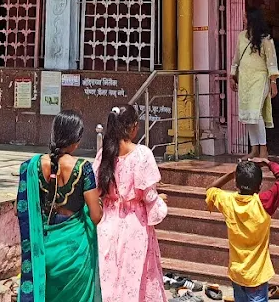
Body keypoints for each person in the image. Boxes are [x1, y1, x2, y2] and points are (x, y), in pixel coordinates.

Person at [16, 110, 102, 302]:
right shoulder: (83, 168)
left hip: (43, 253)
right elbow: (96, 216)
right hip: (74, 254)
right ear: (76, 138)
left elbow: (19, 209)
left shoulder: (30, 167)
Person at [94, 104, 167, 302]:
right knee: (136, 279)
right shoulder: (142, 154)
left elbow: (96, 189)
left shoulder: (104, 154)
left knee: (109, 278)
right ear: (134, 127)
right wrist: (161, 205)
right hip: (135, 225)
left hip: (106, 224)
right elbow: (150, 197)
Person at [205, 157, 279, 302]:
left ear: (236, 184)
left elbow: (210, 190)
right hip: (257, 275)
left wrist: (232, 174)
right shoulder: (264, 203)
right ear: (259, 186)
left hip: (237, 274)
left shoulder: (227, 201)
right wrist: (268, 163)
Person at [231, 9, 279, 158]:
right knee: (248, 114)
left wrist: (273, 82)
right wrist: (232, 76)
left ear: (252, 19)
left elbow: (271, 61)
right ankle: (254, 149)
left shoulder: (266, 39)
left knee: (256, 113)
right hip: (245, 80)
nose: (243, 19)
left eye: (245, 17)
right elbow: (236, 58)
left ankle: (263, 148)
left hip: (260, 79)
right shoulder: (241, 36)